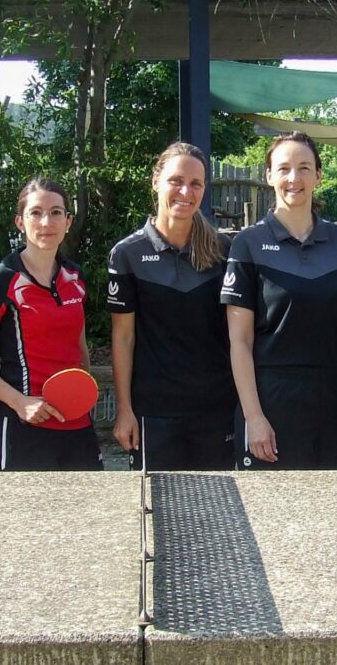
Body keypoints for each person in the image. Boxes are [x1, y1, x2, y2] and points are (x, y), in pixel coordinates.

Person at [220, 131, 337, 470]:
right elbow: (239, 341)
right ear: (269, 176)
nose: (294, 178)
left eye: (304, 168)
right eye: (284, 168)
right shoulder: (248, 244)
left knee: (326, 513)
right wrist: (254, 416)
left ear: (318, 175)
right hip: (272, 403)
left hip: (333, 402)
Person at [0, 177, 102, 471]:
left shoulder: (75, 276)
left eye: (56, 212)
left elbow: (78, 344)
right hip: (24, 423)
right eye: (35, 213)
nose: (46, 221)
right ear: (20, 222)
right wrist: (19, 402)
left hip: (77, 422)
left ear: (68, 221)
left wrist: (83, 391)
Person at [107, 142, 235, 471]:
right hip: (154, 412)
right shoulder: (127, 254)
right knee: (159, 514)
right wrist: (124, 410)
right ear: (156, 181)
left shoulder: (224, 250)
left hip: (215, 408)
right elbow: (123, 338)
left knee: (215, 513)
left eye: (196, 184)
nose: (185, 191)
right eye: (176, 181)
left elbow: (238, 336)